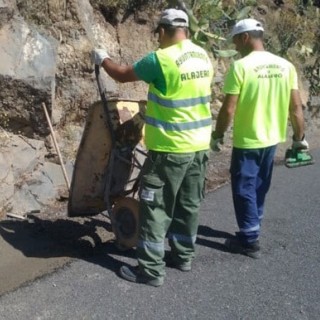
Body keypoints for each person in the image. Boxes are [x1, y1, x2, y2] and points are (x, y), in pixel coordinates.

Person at [92, 8, 213, 286]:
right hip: (199, 147)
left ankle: (150, 270)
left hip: (170, 150)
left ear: (161, 31)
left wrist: (103, 59)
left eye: (157, 34)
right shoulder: (203, 56)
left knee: (155, 207)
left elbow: (122, 75)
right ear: (187, 30)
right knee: (188, 204)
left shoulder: (161, 59)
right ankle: (183, 256)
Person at [211, 18, 309, 259]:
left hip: (248, 139)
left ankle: (249, 240)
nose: (234, 45)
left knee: (243, 187)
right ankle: (252, 226)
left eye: (235, 39)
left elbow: (229, 109)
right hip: (272, 138)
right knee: (259, 186)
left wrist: (218, 133)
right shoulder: (285, 66)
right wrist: (299, 137)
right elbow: (296, 108)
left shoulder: (241, 67)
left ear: (245, 38)